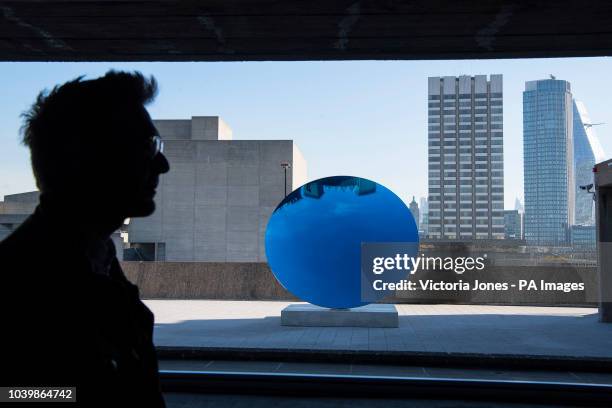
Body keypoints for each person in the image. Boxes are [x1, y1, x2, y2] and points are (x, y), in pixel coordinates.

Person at [0, 71, 170, 406]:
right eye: (145, 146)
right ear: (87, 157)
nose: (162, 164)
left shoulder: (99, 263)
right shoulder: (17, 286)